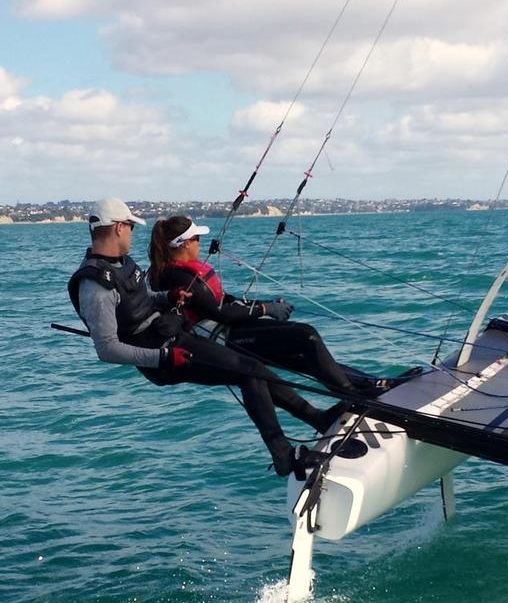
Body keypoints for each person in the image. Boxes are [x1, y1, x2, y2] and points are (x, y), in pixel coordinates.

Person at [67, 198, 344, 477]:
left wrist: (167, 297)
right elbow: (107, 349)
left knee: (253, 369)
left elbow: (142, 299)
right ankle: (284, 455)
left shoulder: (122, 263)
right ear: (118, 228)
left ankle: (317, 419)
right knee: (247, 371)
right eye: (130, 227)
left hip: (172, 335)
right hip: (162, 356)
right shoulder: (94, 285)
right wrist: (163, 357)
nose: (131, 233)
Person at [146, 215, 389, 396]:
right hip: (222, 340)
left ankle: (369, 384)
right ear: (185, 243)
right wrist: (266, 310)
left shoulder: (184, 274)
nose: (200, 243)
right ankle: (353, 394)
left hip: (229, 331)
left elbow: (225, 300)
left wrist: (265, 304)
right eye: (197, 238)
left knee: (299, 353)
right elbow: (221, 313)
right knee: (306, 335)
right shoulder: (179, 277)